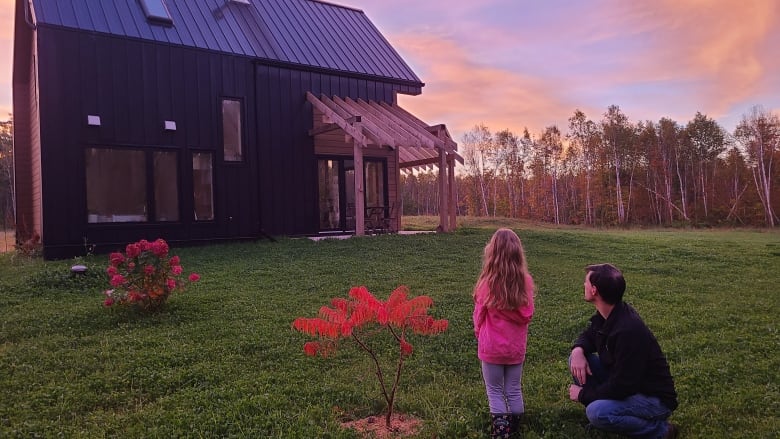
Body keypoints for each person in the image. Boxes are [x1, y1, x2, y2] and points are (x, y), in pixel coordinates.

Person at [568, 263, 679, 438]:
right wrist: (577, 351)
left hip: (654, 399)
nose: (584, 285)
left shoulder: (628, 331)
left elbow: (622, 386)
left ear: (595, 290)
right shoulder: (609, 313)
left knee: (597, 413)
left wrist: (584, 395)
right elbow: (589, 336)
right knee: (578, 360)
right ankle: (605, 408)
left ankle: (661, 431)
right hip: (626, 383)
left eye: (586, 282)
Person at [473, 228, 535, 438]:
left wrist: (478, 332)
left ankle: (501, 430)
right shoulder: (525, 282)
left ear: (492, 253)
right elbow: (527, 314)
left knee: (495, 391)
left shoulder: (486, 283)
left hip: (491, 347)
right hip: (515, 348)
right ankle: (515, 425)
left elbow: (479, 314)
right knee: (513, 388)